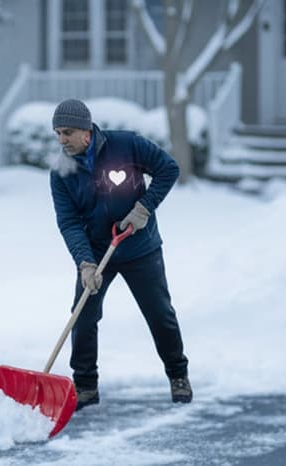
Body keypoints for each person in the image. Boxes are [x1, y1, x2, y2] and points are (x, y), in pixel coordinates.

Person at [48, 98, 191, 411]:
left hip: (141, 247)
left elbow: (169, 168)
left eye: (67, 132)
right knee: (82, 315)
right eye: (57, 133)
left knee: (159, 314)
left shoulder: (126, 145)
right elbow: (69, 223)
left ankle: (178, 374)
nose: (61, 139)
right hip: (98, 252)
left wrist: (144, 208)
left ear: (86, 131)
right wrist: (85, 264)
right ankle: (85, 385)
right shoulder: (61, 173)